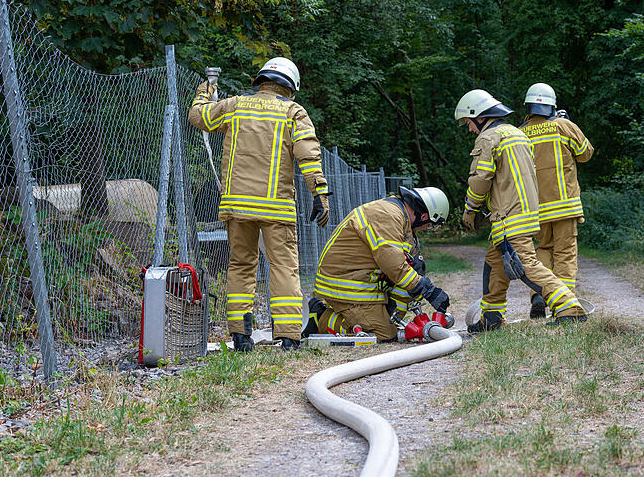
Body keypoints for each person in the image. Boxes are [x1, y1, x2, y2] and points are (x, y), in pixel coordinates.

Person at [188, 57, 331, 352]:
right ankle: (289, 337)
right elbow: (307, 155)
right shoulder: (293, 112)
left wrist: (206, 89)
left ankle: (240, 336)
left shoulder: (234, 105)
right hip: (276, 208)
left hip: (236, 206)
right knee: (283, 266)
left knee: (241, 265)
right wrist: (319, 194)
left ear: (261, 80)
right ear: (291, 86)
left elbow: (198, 116)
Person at [455, 89, 587, 331]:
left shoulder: (488, 138)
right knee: (495, 264)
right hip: (525, 212)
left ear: (480, 117)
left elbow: (480, 180)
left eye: (469, 123)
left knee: (525, 264)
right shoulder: (515, 133)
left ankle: (569, 307)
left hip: (509, 216)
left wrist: (470, 210)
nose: (470, 129)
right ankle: (492, 318)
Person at [303, 186, 451, 341]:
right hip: (345, 284)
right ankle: (319, 317)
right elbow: (393, 264)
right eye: (431, 224)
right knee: (383, 335)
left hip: (363, 280)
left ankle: (385, 318)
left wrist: (423, 285)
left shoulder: (402, 220)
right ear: (424, 215)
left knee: (416, 268)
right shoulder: (387, 215)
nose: (427, 228)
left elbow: (408, 264)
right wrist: (429, 290)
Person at [519, 83, 594, 318]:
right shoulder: (563, 126)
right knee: (565, 254)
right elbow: (585, 154)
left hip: (536, 210)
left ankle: (539, 294)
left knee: (543, 250)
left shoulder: (520, 132)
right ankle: (566, 307)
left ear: (529, 107)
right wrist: (569, 122)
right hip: (565, 206)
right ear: (552, 106)